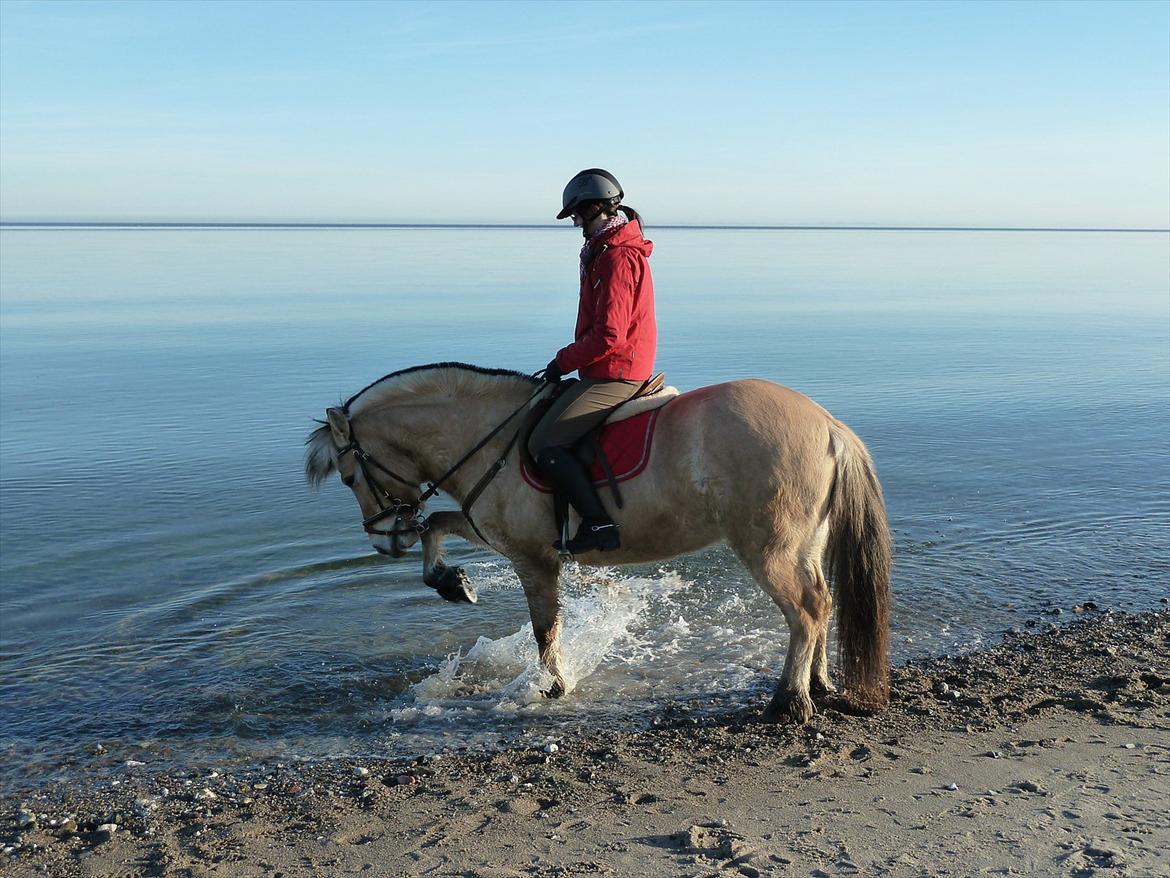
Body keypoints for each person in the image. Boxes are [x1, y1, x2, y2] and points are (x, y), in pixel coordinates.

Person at [528, 168, 657, 553]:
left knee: (544, 444)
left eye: (577, 216)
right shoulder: (603, 252)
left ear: (595, 209)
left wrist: (561, 363)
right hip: (606, 366)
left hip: (617, 371)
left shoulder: (616, 258)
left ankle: (599, 524)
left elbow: (609, 335)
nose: (576, 224)